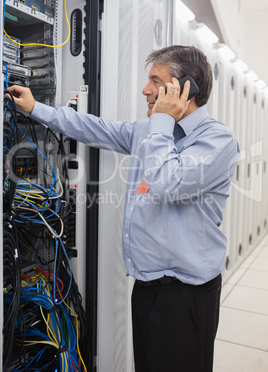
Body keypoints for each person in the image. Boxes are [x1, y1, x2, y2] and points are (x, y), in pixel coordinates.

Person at [8, 45, 240, 372]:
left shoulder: (216, 141)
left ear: (185, 88)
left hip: (184, 297)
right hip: (146, 291)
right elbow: (95, 128)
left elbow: (167, 182)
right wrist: (36, 109)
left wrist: (160, 121)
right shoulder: (150, 132)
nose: (145, 90)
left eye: (154, 81)